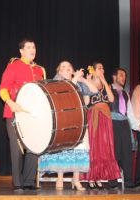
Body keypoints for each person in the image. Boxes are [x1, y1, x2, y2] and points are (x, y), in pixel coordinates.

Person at [38, 61, 98, 191]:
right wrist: (75, 78)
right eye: (63, 67)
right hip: (63, 119)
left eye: (69, 67)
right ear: (58, 71)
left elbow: (94, 91)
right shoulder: (56, 82)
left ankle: (76, 180)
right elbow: (68, 91)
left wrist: (82, 79)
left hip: (79, 119)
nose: (66, 69)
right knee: (63, 148)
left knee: (78, 148)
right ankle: (60, 179)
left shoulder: (78, 81)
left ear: (72, 70)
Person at [0, 39, 45, 191]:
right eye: (29, 47)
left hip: (33, 115)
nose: (32, 50)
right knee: (17, 148)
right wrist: (11, 103)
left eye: (34, 47)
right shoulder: (14, 65)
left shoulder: (40, 70)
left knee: (34, 147)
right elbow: (3, 88)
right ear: (21, 51)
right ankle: (18, 183)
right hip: (15, 112)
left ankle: (29, 181)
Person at [80, 62, 121, 189]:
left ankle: (99, 176)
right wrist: (87, 83)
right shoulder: (88, 83)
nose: (101, 69)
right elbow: (86, 103)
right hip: (94, 116)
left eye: (102, 68)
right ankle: (91, 176)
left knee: (104, 146)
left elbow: (112, 99)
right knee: (94, 145)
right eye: (99, 68)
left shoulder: (105, 84)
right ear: (92, 70)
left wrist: (103, 79)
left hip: (106, 117)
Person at [109, 67, 140, 188]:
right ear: (114, 77)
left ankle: (129, 181)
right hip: (112, 123)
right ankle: (112, 181)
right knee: (114, 152)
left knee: (127, 152)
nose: (123, 78)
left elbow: (129, 112)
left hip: (124, 124)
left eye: (124, 76)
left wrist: (137, 124)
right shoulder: (107, 90)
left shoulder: (125, 93)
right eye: (121, 75)